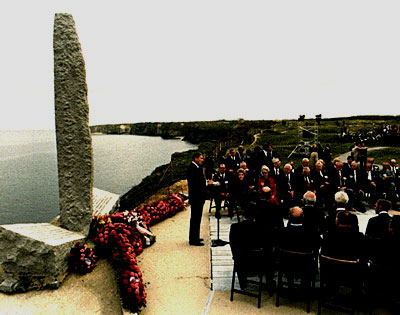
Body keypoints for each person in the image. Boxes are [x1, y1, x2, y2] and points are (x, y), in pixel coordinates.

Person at [186, 152, 208, 246]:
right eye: (201, 158)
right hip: (196, 197)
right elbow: (195, 184)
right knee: (195, 218)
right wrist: (206, 184)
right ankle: (193, 240)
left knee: (197, 218)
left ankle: (195, 236)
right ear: (195, 158)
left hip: (198, 197)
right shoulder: (192, 169)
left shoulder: (196, 168)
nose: (202, 160)